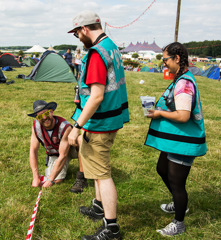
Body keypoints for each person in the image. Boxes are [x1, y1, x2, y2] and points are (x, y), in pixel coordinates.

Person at [67, 10, 129, 240]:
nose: (78, 39)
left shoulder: (95, 53)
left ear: (84, 29)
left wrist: (77, 125)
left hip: (99, 121)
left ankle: (111, 228)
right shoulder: (111, 45)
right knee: (95, 167)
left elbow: (96, 96)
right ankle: (98, 206)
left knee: (102, 174)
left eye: (76, 34)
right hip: (110, 117)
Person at [145, 42, 207, 237]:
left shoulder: (184, 83)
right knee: (162, 169)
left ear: (177, 59)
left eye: (165, 60)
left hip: (184, 141)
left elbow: (183, 116)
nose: (164, 64)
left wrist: (160, 113)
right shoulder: (180, 78)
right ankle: (178, 203)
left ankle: (179, 222)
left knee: (176, 181)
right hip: (176, 139)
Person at [27, 100, 87, 192]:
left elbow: (63, 155)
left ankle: (82, 176)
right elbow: (33, 151)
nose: (44, 117)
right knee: (57, 180)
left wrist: (50, 180)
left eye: (46, 113)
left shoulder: (65, 127)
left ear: (51, 111)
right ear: (36, 118)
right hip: (56, 152)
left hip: (71, 149)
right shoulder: (36, 127)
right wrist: (35, 177)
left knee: (80, 140)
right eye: (39, 116)